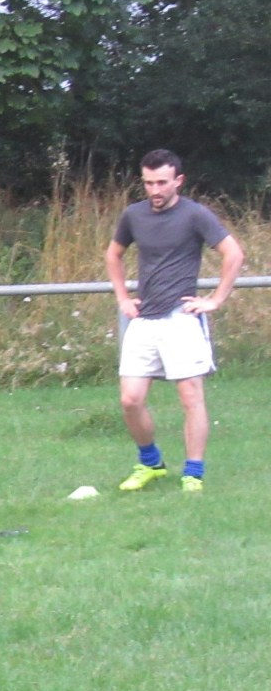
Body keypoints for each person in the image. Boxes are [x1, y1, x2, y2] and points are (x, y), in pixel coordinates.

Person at [104, 149, 244, 493]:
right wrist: (123, 298)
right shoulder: (134, 215)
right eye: (149, 183)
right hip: (144, 320)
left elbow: (233, 254)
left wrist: (215, 299)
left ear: (178, 181)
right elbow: (113, 254)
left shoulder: (195, 214)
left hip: (181, 318)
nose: (155, 190)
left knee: (190, 397)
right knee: (130, 400)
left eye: (162, 182)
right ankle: (151, 463)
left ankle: (193, 473)